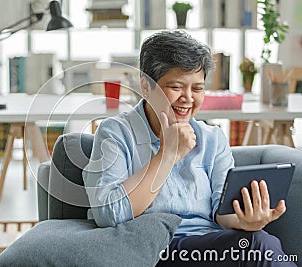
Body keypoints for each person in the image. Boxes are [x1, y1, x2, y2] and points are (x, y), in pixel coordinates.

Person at [82, 30, 295, 266]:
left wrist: (247, 221)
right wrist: (168, 154)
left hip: (209, 246)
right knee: (258, 247)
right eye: (176, 87)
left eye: (197, 89)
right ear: (145, 87)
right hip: (153, 248)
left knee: (258, 240)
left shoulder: (212, 138)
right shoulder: (115, 133)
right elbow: (109, 213)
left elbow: (221, 212)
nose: (188, 98)